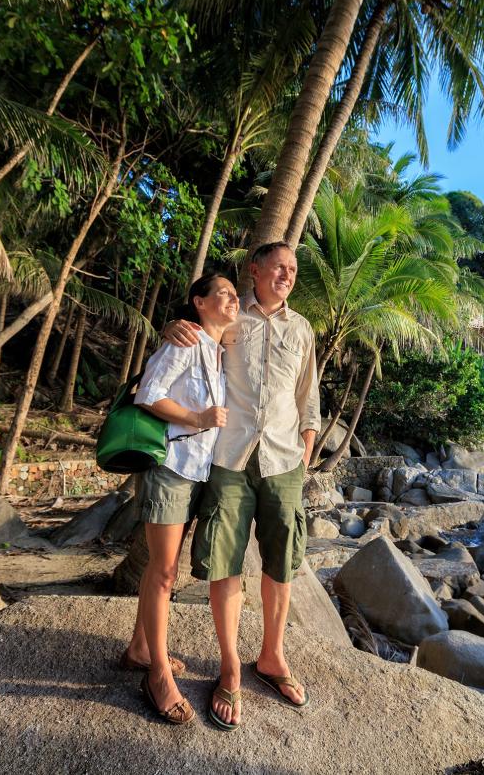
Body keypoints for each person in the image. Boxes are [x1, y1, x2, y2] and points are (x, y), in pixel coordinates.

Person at [162, 241, 320, 731]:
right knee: (223, 559)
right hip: (229, 457)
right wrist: (170, 326)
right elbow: (192, 332)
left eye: (293, 269)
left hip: (283, 459)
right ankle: (230, 665)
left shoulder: (301, 328)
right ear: (255, 270)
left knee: (281, 561)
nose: (287, 275)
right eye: (279, 267)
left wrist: (308, 445)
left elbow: (307, 394)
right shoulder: (230, 318)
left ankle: (271, 657)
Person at [119, 272, 239, 726]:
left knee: (164, 568)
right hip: (171, 468)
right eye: (222, 294)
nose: (232, 300)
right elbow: (148, 394)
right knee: (164, 570)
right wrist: (197, 417)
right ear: (199, 303)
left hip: (198, 473)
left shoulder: (218, 347)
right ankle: (159, 675)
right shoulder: (184, 341)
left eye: (234, 294)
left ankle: (139, 649)